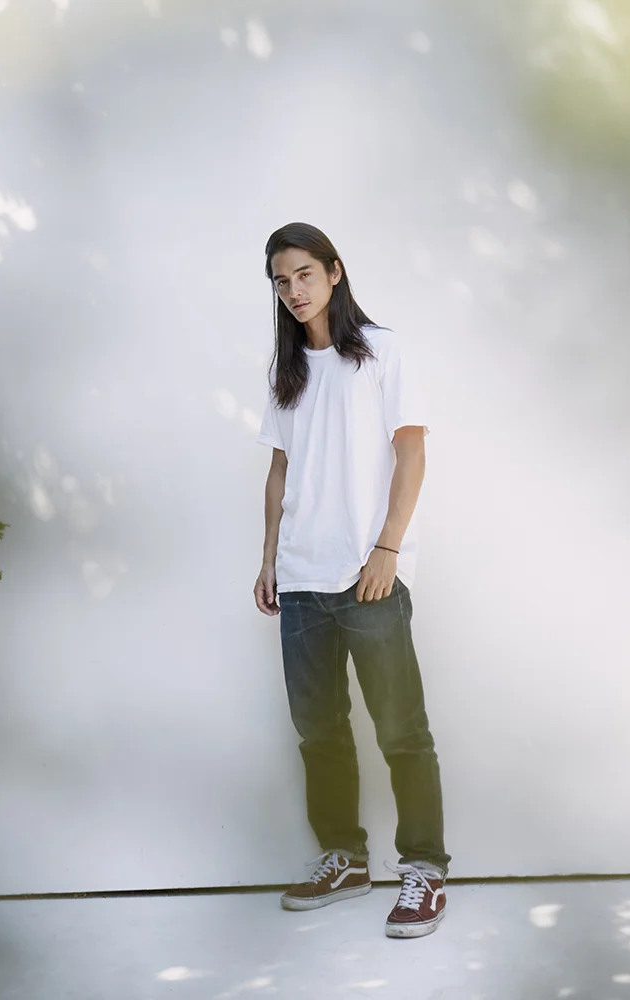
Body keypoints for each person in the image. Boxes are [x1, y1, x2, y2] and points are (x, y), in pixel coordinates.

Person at [253, 222, 451, 939]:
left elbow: (411, 453)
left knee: (402, 729)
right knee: (319, 732)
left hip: (369, 573)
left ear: (335, 273)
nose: (293, 290)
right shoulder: (286, 373)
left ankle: (424, 868)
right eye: (280, 280)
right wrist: (270, 555)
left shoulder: (383, 352)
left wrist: (388, 549)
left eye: (304, 274)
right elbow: (278, 469)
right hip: (303, 578)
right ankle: (344, 857)